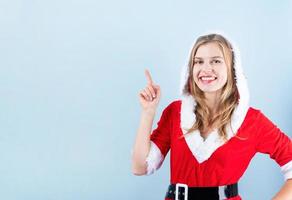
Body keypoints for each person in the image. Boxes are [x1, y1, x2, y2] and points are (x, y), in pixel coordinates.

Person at [131, 32, 292, 200]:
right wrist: (148, 112)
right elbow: (140, 167)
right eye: (199, 61)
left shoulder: (251, 120)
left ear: (232, 68)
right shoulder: (175, 113)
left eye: (216, 61)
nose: (206, 69)